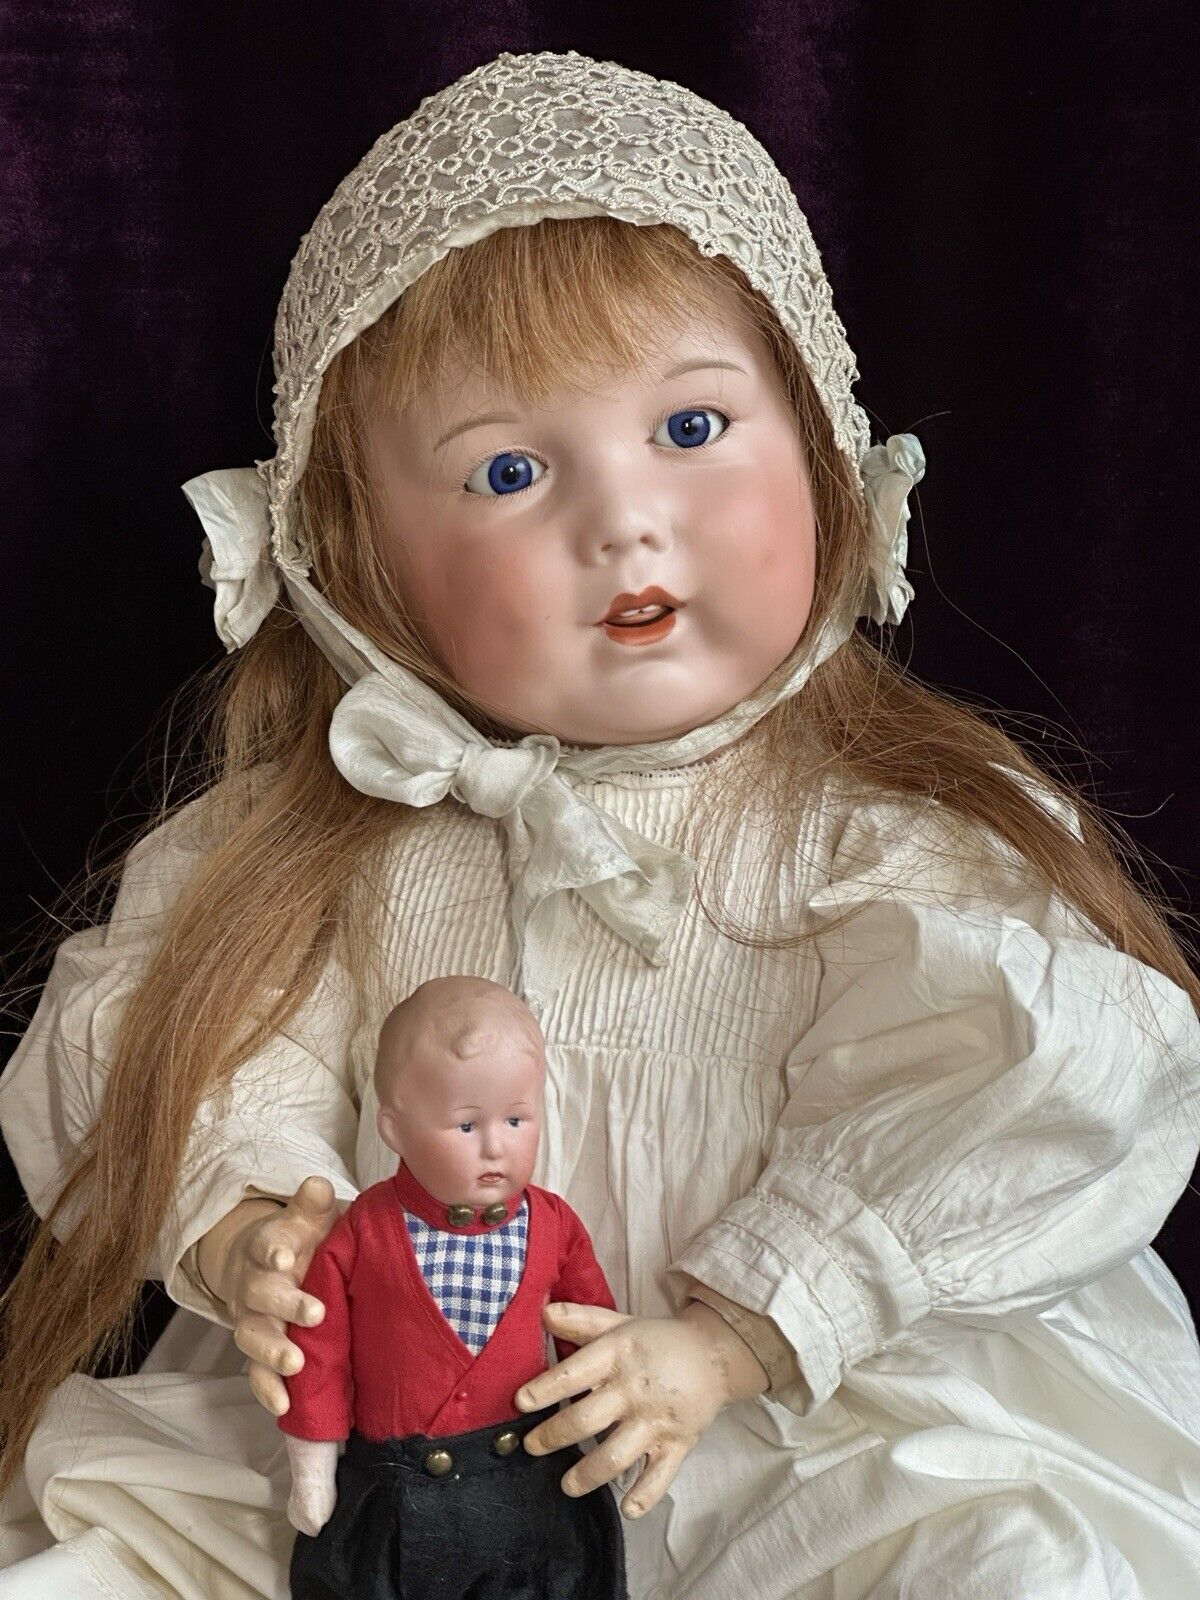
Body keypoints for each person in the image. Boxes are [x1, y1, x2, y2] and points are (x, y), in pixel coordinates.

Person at [1, 47, 1199, 1600]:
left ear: (823, 451)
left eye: (692, 430)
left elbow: (1018, 1100)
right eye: (508, 471)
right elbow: (196, 1045)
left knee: (1002, 1560)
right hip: (406, 1444)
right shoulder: (345, 855)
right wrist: (250, 1229)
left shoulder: (880, 844)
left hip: (811, 1433)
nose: (622, 519)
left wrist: (744, 1332)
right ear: (358, 566)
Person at [282, 975, 628, 1599]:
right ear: (394, 1129)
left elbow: (589, 1330)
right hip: (395, 1492)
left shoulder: (553, 1225)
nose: (496, 1146)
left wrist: (612, 1421)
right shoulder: (364, 1231)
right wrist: (313, 1462)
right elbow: (319, 1348)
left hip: (526, 1486)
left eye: (517, 1119)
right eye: (466, 1126)